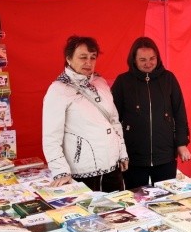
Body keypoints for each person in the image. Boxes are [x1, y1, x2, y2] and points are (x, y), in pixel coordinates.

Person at [42, 35, 128, 192]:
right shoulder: (58, 90)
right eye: (83, 57)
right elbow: (51, 137)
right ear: (68, 59)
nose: (88, 62)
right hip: (83, 171)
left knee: (119, 207)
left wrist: (122, 152)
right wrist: (60, 171)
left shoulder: (100, 83)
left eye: (92, 57)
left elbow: (114, 121)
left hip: (112, 167)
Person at [112, 37, 190, 190]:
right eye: (142, 60)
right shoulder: (123, 81)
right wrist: (118, 152)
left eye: (152, 58)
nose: (148, 63)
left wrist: (181, 144)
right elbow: (113, 119)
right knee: (136, 199)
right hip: (134, 158)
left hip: (165, 156)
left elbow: (180, 113)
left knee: (166, 198)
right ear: (134, 60)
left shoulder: (168, 78)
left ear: (157, 58)